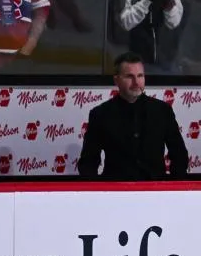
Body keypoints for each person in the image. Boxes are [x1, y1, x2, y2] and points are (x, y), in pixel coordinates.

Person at [77, 52, 189, 180]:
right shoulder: (100, 114)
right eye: (130, 77)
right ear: (116, 80)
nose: (136, 82)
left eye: (140, 76)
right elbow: (88, 163)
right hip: (115, 192)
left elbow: (179, 155)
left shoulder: (163, 111)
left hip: (155, 190)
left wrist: (173, 190)